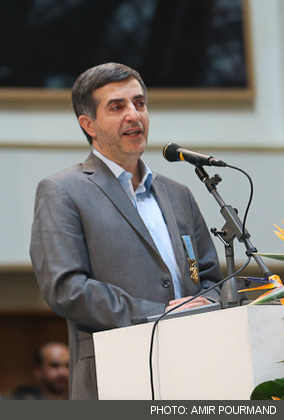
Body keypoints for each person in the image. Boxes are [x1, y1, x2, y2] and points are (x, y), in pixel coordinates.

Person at [29, 62, 222, 400]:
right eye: (117, 107)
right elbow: (66, 288)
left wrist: (207, 303)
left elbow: (210, 277)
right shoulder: (63, 191)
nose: (134, 115)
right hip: (116, 372)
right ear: (88, 124)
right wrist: (157, 315)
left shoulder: (178, 193)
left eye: (139, 103)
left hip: (196, 367)